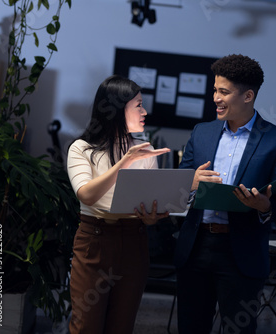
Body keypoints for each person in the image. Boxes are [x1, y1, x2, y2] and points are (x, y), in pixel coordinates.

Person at [174, 54, 276, 334]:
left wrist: (264, 205)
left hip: (241, 253)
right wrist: (190, 181)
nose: (215, 97)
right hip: (196, 248)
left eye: (224, 92)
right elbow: (180, 188)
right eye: (215, 90)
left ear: (248, 95)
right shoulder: (201, 133)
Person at [66, 75, 170, 333]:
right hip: (95, 240)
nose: (145, 111)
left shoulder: (146, 152)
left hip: (134, 242)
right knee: (86, 326)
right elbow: (86, 195)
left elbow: (149, 213)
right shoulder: (82, 148)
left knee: (121, 326)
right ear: (115, 108)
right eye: (138, 105)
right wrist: (125, 161)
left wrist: (153, 216)